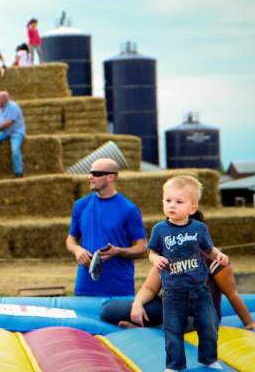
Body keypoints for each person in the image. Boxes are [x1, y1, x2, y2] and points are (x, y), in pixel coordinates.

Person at [100, 209, 255, 330]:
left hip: (197, 315)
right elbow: (149, 287)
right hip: (168, 307)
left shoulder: (214, 259)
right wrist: (138, 304)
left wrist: (249, 323)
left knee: (187, 322)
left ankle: (149, 329)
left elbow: (232, 294)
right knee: (108, 310)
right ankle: (148, 327)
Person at [147, 175, 228, 371]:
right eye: (168, 201)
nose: (172, 205)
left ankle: (208, 358)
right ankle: (174, 365)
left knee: (209, 325)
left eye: (179, 201)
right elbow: (152, 252)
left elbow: (209, 249)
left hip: (200, 290)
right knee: (173, 330)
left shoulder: (199, 228)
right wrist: (156, 259)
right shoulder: (160, 230)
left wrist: (219, 255)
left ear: (193, 208)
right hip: (173, 293)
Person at [65, 158, 147, 296]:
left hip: (118, 289)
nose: (90, 177)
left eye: (96, 173)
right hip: (85, 287)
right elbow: (70, 240)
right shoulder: (80, 205)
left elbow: (143, 248)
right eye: (90, 173)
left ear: (110, 177)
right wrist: (77, 250)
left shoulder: (129, 209)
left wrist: (118, 251)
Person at [0, 91, 26, 178]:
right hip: (6, 131)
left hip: (16, 132)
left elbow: (10, 122)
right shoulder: (1, 107)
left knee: (15, 150)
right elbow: (2, 121)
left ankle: (19, 172)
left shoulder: (13, 106)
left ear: (4, 99)